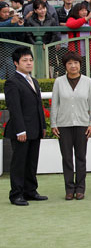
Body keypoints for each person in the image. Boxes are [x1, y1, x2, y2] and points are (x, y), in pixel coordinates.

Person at [4, 47, 48, 206]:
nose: (29, 63)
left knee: (31, 162)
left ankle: (30, 191)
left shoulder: (33, 81)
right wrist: (20, 130)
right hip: (21, 130)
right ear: (16, 63)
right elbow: (14, 108)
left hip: (35, 129)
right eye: (25, 60)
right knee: (19, 163)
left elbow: (38, 106)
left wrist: (42, 125)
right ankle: (16, 194)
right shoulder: (12, 82)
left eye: (30, 60)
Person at [50, 52, 91, 200]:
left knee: (81, 157)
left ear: (80, 64)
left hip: (83, 124)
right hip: (64, 124)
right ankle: (69, 189)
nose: (73, 66)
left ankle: (80, 189)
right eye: (69, 63)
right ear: (65, 66)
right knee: (67, 158)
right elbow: (55, 104)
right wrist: (54, 123)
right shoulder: (59, 81)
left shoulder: (88, 81)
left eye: (76, 63)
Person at [0, 2, 24, 80]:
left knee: (12, 73)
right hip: (2, 53)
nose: (7, 14)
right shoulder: (11, 21)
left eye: (8, 12)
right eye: (4, 12)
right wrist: (10, 22)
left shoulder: (12, 20)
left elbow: (20, 36)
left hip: (11, 52)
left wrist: (20, 26)